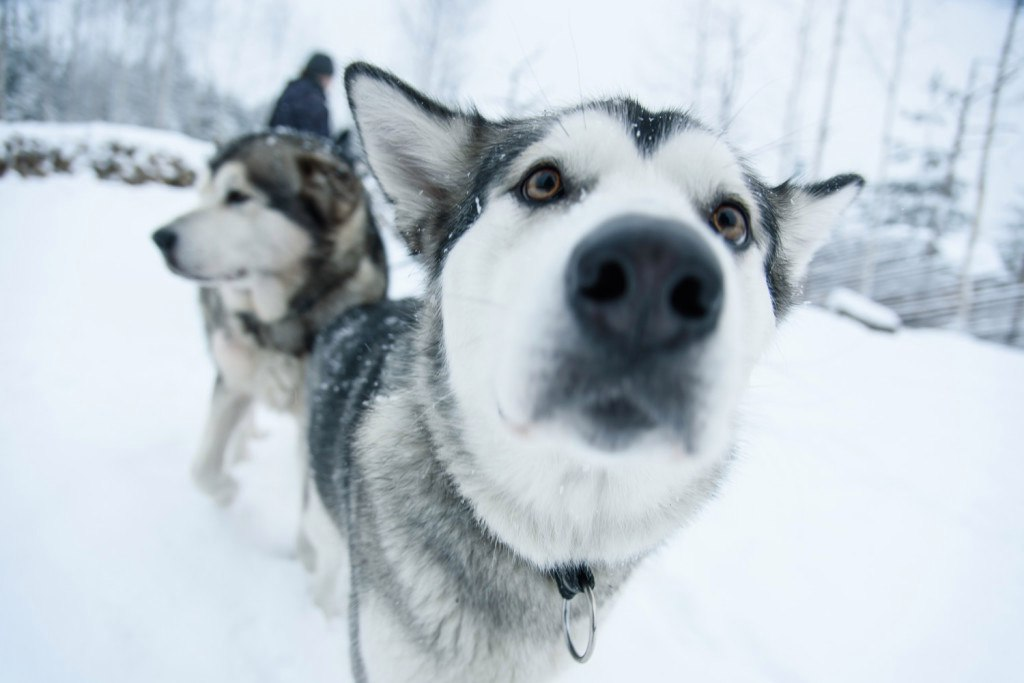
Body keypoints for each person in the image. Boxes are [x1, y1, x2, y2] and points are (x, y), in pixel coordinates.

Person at [268, 52, 334, 138]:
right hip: (297, 150)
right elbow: (316, 142)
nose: (330, 83)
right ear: (323, 76)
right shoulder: (314, 99)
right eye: (329, 78)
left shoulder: (290, 90)